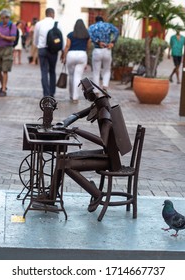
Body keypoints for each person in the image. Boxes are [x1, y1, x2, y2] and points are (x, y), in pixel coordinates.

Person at [49, 78, 131, 213]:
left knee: (65, 164)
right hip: (106, 154)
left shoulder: (105, 114)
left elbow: (102, 141)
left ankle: (96, 194)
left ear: (91, 93)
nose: (84, 94)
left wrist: (77, 131)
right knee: (63, 158)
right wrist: (63, 123)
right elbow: (78, 114)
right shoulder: (99, 105)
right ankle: (50, 197)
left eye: (84, 91)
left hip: (110, 160)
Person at [34, 8, 63, 97]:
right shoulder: (57, 24)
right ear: (53, 14)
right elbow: (61, 39)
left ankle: (46, 94)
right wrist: (62, 51)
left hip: (42, 49)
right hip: (53, 51)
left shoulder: (39, 24)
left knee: (44, 71)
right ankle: (52, 93)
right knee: (52, 71)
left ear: (45, 14)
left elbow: (35, 38)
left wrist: (37, 46)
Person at [61, 19, 91, 104]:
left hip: (71, 55)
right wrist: (86, 56)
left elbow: (67, 46)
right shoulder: (87, 35)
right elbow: (88, 47)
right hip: (82, 55)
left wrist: (64, 57)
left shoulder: (70, 35)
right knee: (78, 77)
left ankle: (71, 94)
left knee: (71, 76)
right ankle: (75, 97)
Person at [88, 16, 119, 91]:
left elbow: (89, 35)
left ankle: (96, 90)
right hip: (107, 50)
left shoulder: (92, 27)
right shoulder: (108, 25)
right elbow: (117, 31)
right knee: (107, 69)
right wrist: (112, 42)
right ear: (103, 20)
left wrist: (97, 41)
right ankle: (105, 85)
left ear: (96, 20)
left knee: (96, 71)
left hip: (97, 50)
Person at [0, 9, 17, 97]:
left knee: (5, 70)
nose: (2, 20)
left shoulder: (12, 26)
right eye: (1, 18)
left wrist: (1, 35)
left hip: (7, 48)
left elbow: (13, 38)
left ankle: (3, 89)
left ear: (7, 17)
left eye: (4, 18)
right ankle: (3, 85)